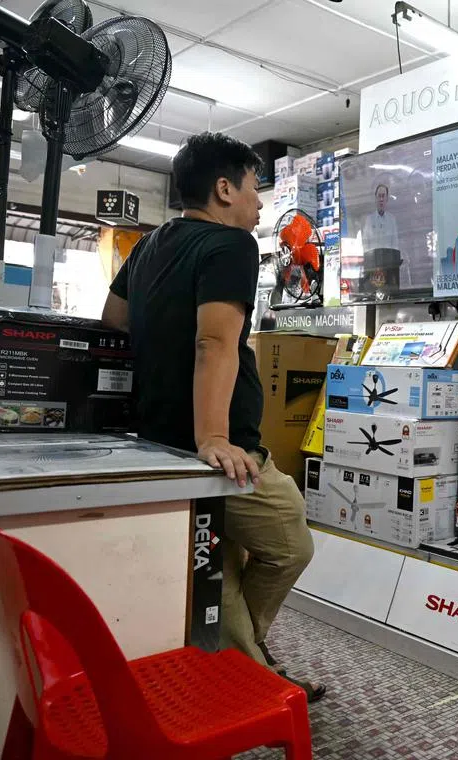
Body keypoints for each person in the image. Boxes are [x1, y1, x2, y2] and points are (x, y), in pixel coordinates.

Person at [100, 132, 323, 702]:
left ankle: (239, 671)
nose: (259, 204)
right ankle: (246, 672)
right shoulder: (231, 246)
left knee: (217, 563)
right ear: (224, 190)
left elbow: (113, 321)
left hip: (157, 438)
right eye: (253, 188)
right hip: (221, 450)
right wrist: (215, 437)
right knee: (289, 539)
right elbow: (215, 343)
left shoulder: (148, 247)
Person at [360, 183, 399, 252]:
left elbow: (395, 244)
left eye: (383, 196)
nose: (381, 199)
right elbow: (365, 244)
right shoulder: (369, 220)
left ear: (386, 199)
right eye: (379, 196)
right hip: (374, 260)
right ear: (376, 198)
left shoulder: (392, 220)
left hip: (389, 259)